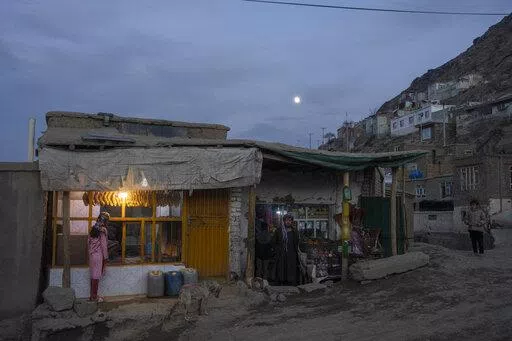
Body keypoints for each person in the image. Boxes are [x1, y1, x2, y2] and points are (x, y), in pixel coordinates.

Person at [273, 213, 302, 286]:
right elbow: (273, 242)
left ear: (292, 221)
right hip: (281, 254)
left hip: (292, 254)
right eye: (286, 220)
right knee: (281, 269)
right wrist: (278, 250)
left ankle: (291, 282)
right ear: (284, 221)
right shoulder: (278, 231)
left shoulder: (295, 231)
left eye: (290, 220)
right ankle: (281, 282)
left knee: (291, 269)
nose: (288, 222)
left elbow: (297, 242)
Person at [88, 211, 110, 301]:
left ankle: (92, 296)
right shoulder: (102, 231)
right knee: (96, 277)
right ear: (105, 221)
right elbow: (104, 246)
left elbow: (88, 243)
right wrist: (106, 258)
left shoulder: (92, 229)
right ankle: (94, 297)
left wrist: (90, 253)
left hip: (92, 255)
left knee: (93, 276)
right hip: (98, 256)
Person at [255, 208, 273, 279]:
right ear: (266, 228)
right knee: (265, 270)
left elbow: (256, 245)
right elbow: (271, 245)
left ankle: (258, 284)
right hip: (267, 256)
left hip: (259, 255)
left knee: (259, 270)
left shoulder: (257, 235)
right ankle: (265, 283)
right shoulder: (269, 235)